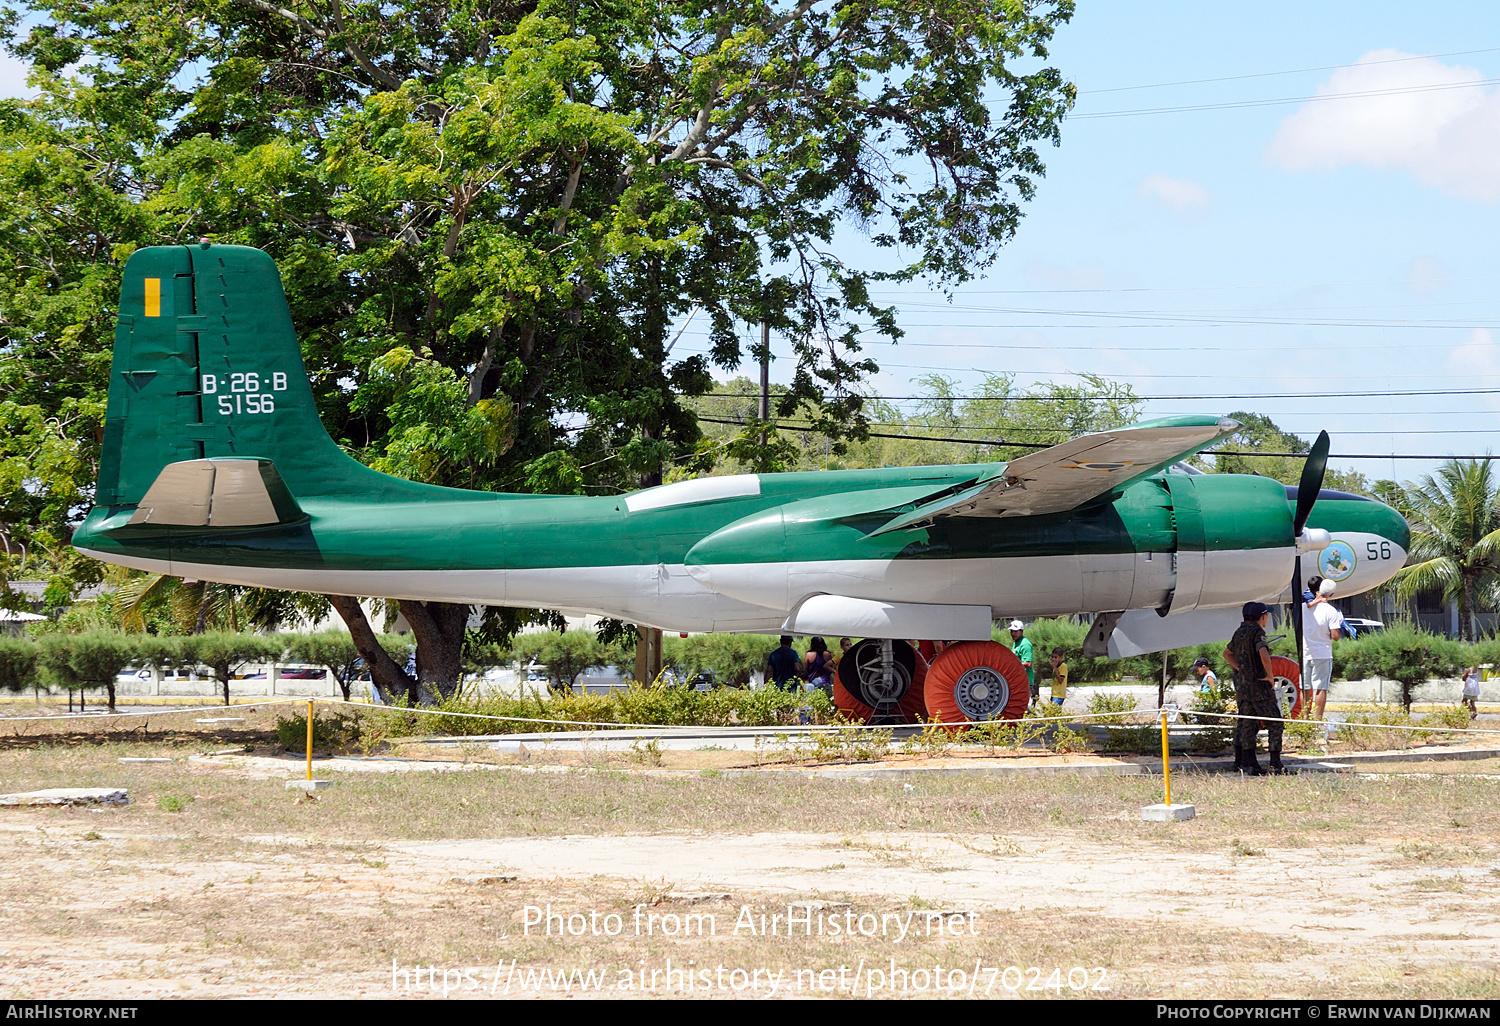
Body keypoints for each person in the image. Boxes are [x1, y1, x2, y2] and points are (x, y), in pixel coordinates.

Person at [1222, 601, 1288, 776]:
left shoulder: (1239, 632)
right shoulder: (1258, 632)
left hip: (1243, 688)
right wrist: (1270, 675)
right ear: (1262, 616)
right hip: (1259, 686)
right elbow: (1263, 653)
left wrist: (1241, 669)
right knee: (1275, 723)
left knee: (1247, 724)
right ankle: (1275, 764)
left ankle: (1247, 763)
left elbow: (1227, 654)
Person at [1301, 575, 1344, 721]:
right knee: (1320, 688)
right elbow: (1335, 636)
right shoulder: (1331, 611)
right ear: (1331, 594)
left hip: (1306, 652)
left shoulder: (1303, 608)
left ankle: (1304, 721)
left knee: (1305, 688)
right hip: (1323, 653)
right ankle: (1317, 722)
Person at [1008, 620, 1035, 704]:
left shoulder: (1025, 644)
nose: (1013, 634)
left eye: (1015, 631)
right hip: (1018, 680)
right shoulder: (1016, 643)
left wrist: (1012, 665)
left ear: (1022, 631)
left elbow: (1028, 664)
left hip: (1025, 681)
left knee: (1023, 706)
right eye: (1011, 631)